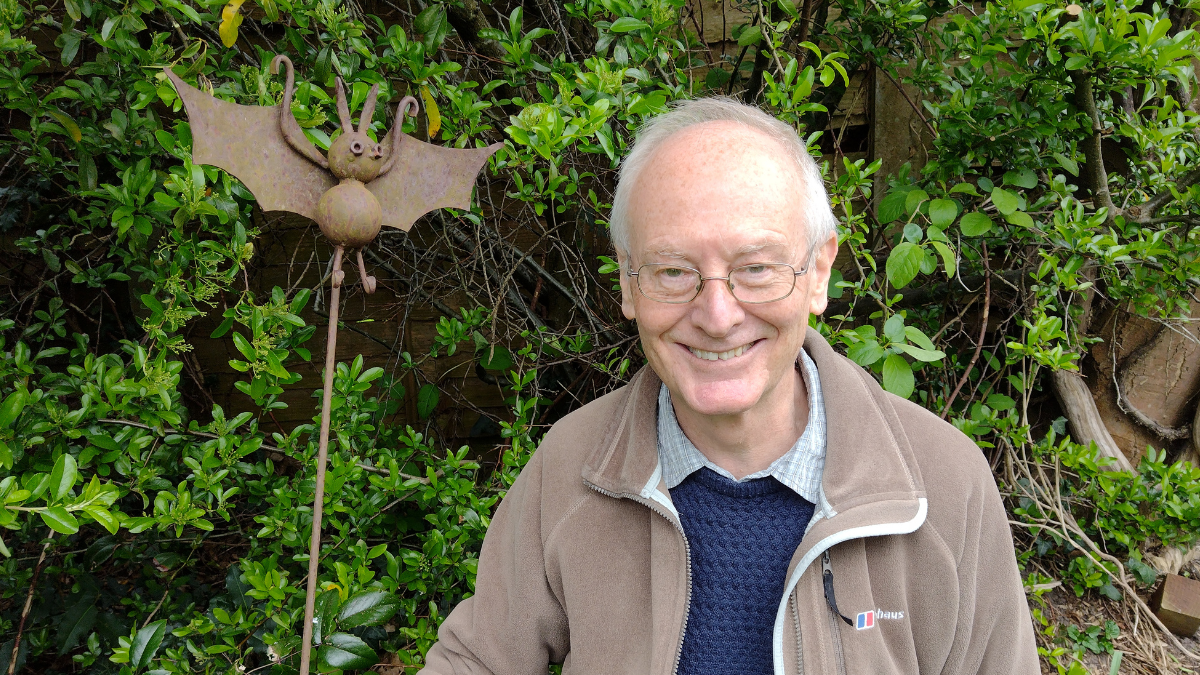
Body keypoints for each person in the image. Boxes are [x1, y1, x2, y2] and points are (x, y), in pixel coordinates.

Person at [418, 97, 1038, 674]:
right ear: (630, 284)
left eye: (757, 268)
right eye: (672, 270)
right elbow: (476, 661)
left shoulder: (943, 482)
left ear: (819, 272)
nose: (718, 315)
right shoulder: (569, 467)